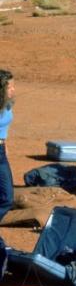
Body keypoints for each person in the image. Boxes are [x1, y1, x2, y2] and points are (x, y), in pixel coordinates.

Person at [0, 70, 14, 226]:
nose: (13, 90)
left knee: (6, 198)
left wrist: (5, 144)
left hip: (1, 152)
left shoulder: (7, 104)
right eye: (10, 87)